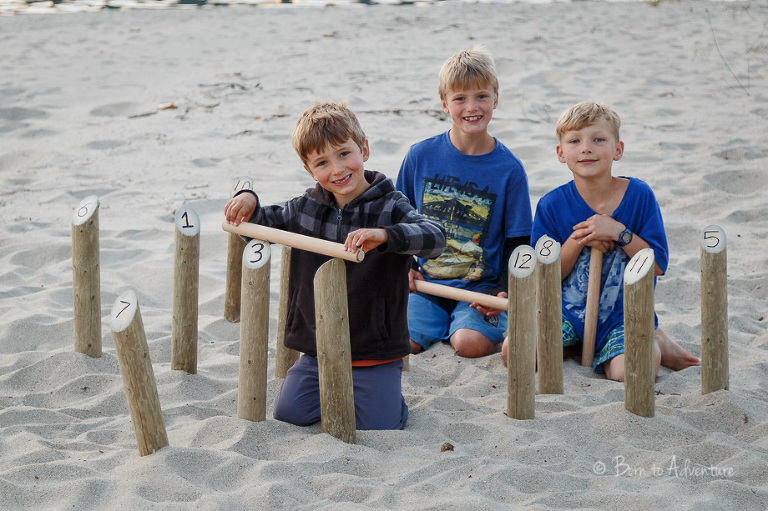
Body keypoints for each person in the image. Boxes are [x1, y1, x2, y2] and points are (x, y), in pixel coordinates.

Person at [224, 102, 446, 429]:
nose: (338, 169)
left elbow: (436, 237)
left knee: (379, 426)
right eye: (322, 163)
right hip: (319, 350)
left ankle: (388, 399)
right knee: (290, 413)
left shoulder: (391, 205)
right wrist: (248, 198)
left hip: (375, 350)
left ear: (364, 149)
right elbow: (262, 224)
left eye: (344, 154)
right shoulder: (306, 207)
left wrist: (385, 235)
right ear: (309, 170)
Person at [501, 101, 698, 380]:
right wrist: (580, 238)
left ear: (618, 149)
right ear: (561, 153)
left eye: (598, 139)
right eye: (574, 141)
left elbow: (657, 266)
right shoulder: (551, 205)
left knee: (632, 372)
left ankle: (654, 338)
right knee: (514, 352)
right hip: (565, 314)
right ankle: (580, 346)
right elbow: (545, 277)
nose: (586, 148)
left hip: (624, 317)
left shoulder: (639, 195)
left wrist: (619, 232)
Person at [396, 46, 532, 359]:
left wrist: (502, 291)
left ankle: (473, 324)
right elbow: (397, 222)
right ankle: (435, 322)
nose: (472, 107)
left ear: (496, 98)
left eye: (481, 96)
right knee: (403, 343)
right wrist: (405, 267)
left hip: (481, 290)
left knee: (468, 344)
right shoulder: (420, 156)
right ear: (444, 103)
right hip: (428, 285)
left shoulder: (509, 170)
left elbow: (519, 242)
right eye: (460, 99)